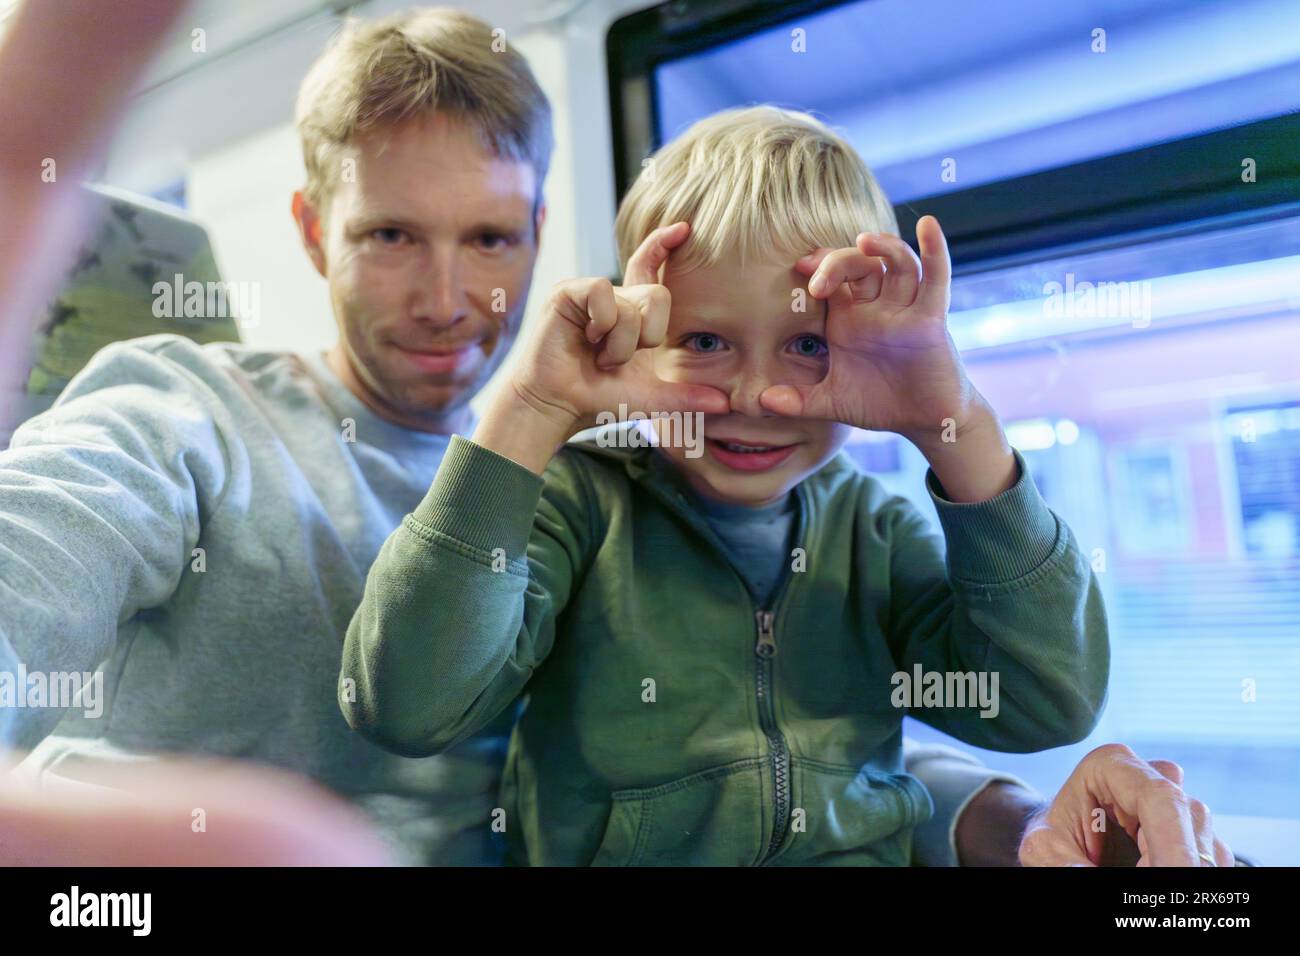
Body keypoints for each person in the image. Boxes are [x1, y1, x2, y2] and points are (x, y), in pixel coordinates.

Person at [0, 4, 1231, 868]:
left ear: (543, 234)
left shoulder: (693, 485)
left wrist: (1006, 822)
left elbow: (788, 745)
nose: (444, 297)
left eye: (488, 237)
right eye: (388, 236)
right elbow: (31, 566)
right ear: (315, 232)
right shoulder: (188, 417)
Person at [339, 106, 1111, 865]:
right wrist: (532, 410)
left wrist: (960, 426)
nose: (753, 395)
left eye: (807, 343)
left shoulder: (872, 529)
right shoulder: (580, 504)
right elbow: (408, 707)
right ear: (637, 328)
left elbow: (1045, 703)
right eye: (704, 341)